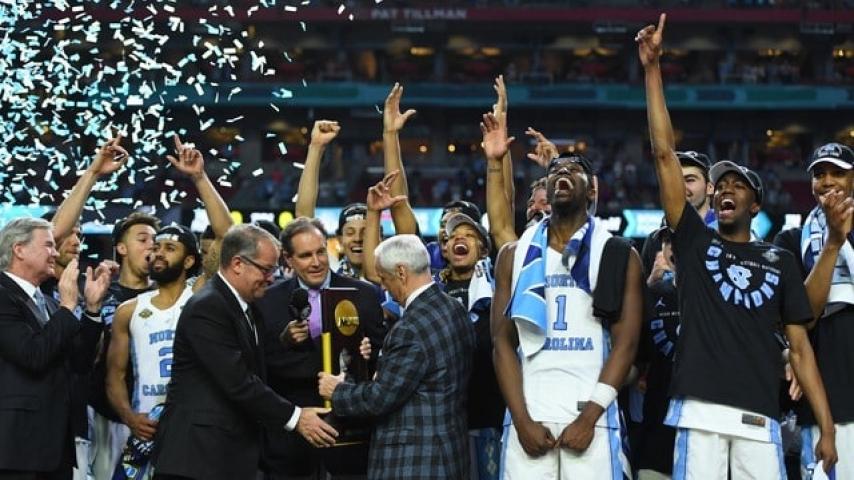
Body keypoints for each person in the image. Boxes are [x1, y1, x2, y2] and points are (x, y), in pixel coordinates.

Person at [639, 13, 837, 477]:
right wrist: (652, 70)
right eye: (721, 185)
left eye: (738, 185)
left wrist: (826, 426)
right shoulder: (693, 241)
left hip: (758, 414)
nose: (726, 189)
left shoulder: (780, 260)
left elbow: (800, 349)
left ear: (756, 204)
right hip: (698, 412)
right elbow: (664, 154)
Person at [487, 106, 642, 478]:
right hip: (529, 412)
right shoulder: (514, 255)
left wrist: (590, 417)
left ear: (593, 190)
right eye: (555, 170)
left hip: (593, 415)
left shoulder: (617, 253)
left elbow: (626, 345)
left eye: (574, 170)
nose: (562, 173)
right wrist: (521, 420)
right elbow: (502, 344)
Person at [151, 224, 337, 480]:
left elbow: (257, 367)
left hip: (227, 456)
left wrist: (283, 343)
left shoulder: (247, 306)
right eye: (266, 269)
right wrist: (296, 417)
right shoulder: (208, 307)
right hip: (195, 458)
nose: (271, 278)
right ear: (238, 264)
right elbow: (237, 381)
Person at [361, 171, 503, 479]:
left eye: (468, 233)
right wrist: (374, 214)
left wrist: (496, 164)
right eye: (450, 237)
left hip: (486, 417)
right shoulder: (431, 288)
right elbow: (378, 270)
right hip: (442, 422)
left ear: (484, 246)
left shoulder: (500, 286)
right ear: (442, 249)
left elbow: (504, 224)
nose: (457, 239)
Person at [318, 234, 476, 479]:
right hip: (450, 453)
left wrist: (336, 390)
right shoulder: (455, 308)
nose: (383, 287)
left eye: (383, 277)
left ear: (401, 272)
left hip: (414, 462)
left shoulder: (410, 327)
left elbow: (380, 398)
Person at [256, 217, 385, 479]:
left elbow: (383, 362)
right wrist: (284, 343)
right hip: (291, 443)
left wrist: (366, 355)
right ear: (288, 259)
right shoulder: (267, 301)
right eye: (305, 256)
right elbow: (259, 369)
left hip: (350, 435)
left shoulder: (364, 294)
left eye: (320, 252)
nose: (316, 262)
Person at [0, 218, 111, 479]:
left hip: (55, 448)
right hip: (16, 448)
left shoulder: (50, 304)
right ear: (19, 249)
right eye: (49, 245)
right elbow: (33, 355)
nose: (56, 253)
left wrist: (92, 310)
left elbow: (80, 363)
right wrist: (68, 307)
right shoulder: (3, 296)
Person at [773, 142, 854, 479]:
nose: (827, 181)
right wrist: (834, 242)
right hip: (826, 405)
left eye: (838, 173)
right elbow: (802, 317)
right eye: (819, 174)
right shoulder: (791, 242)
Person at [105, 224, 201, 480]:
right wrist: (130, 417)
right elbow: (114, 376)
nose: (158, 253)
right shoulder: (128, 310)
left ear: (189, 260)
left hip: (190, 427)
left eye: (170, 248)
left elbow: (225, 237)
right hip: (144, 431)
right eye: (156, 247)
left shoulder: (201, 298)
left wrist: (203, 192)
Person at [640, 150, 714, 276]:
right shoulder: (655, 240)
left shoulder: (729, 235)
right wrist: (653, 280)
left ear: (709, 188)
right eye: (676, 180)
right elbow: (641, 288)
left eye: (689, 180)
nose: (680, 187)